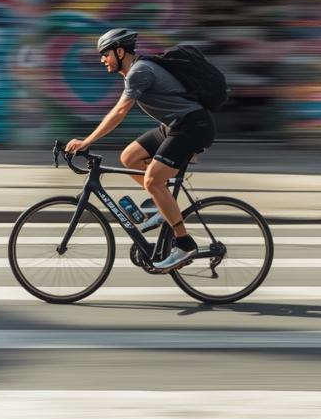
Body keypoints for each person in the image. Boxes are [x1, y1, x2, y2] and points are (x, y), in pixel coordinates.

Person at [66, 27, 216, 272]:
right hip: (174, 125)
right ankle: (162, 205)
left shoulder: (140, 72)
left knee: (152, 180)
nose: (102, 59)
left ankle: (184, 244)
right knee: (129, 157)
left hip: (193, 126)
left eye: (105, 54)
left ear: (120, 51)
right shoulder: (134, 71)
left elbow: (119, 113)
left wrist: (87, 141)